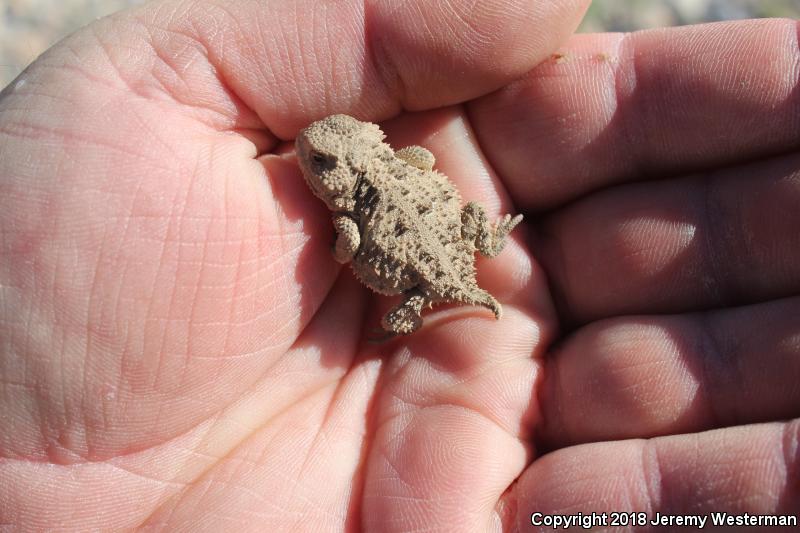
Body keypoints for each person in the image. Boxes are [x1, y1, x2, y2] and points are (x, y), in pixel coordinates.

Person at [1, 1, 797, 530]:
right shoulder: (389, 162)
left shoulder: (348, 213)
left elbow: (353, 248)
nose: (313, 154)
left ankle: (428, 306)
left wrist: (366, 256)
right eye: (316, 153)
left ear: (348, 170)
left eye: (323, 153)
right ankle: (478, 260)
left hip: (422, 274)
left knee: (423, 291)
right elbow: (414, 159)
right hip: (450, 236)